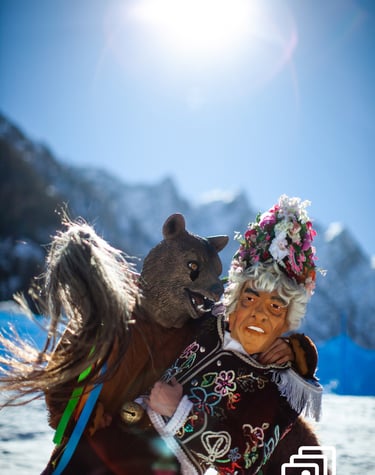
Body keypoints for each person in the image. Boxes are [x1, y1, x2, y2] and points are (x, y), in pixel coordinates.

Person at [146, 195, 324, 475]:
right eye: (250, 300)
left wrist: (180, 413)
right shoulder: (205, 323)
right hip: (119, 427)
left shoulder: (275, 390)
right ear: (232, 302)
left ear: (287, 323)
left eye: (275, 307)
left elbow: (243, 460)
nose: (260, 314)